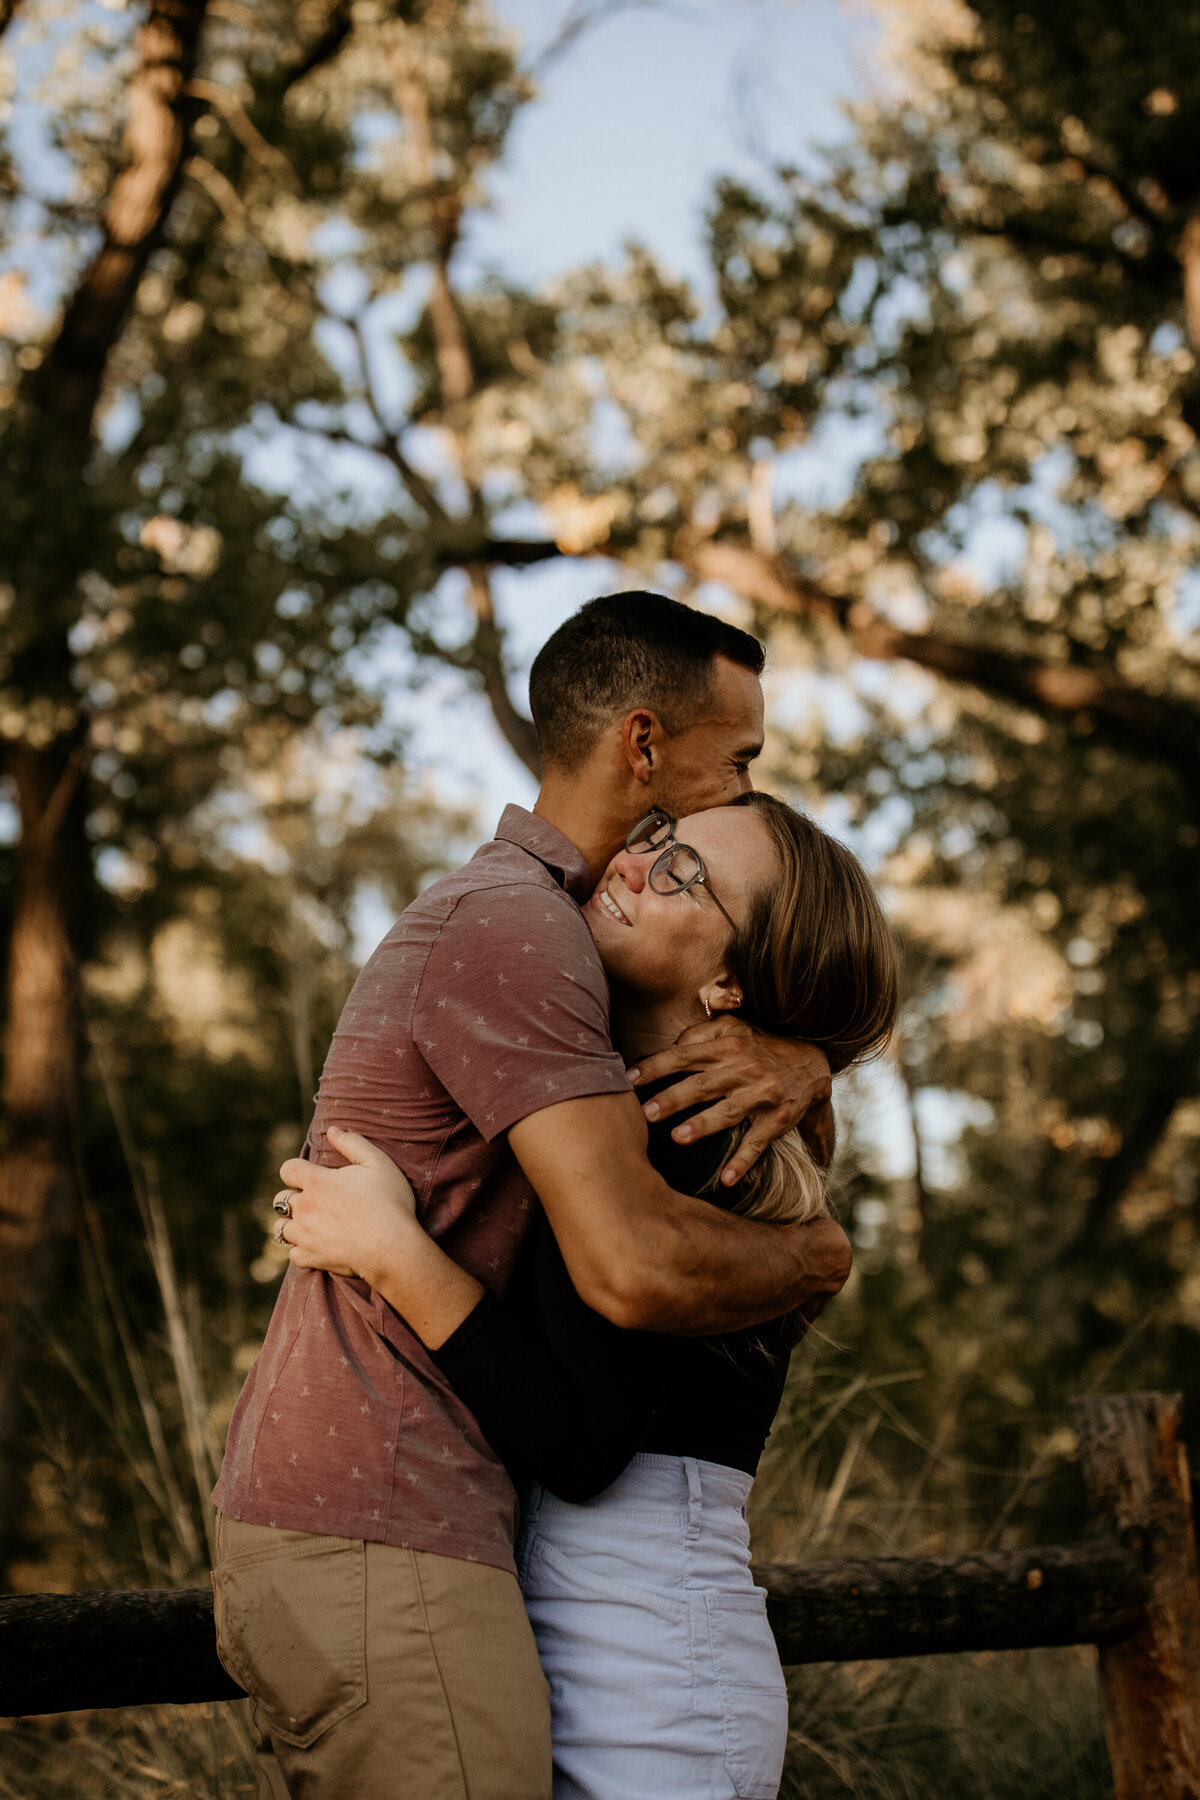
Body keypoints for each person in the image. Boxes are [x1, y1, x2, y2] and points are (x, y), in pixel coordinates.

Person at [210, 592, 853, 1800]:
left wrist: (810, 1058)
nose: (742, 785)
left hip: (599, 1627)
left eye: (688, 879)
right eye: (742, 757)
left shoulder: (659, 1082)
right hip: (390, 1514)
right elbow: (624, 1275)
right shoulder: (527, 934)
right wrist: (823, 1256)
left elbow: (591, 1423)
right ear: (648, 745)